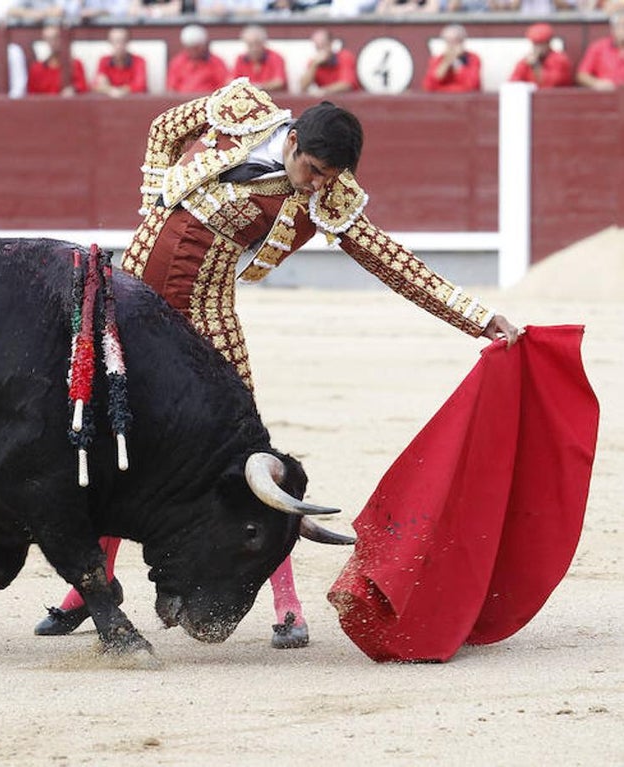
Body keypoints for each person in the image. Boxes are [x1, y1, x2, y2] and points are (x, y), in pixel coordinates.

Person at [33, 77, 520, 648]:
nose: (316, 184)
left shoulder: (326, 200)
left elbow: (394, 263)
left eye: (328, 178)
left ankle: (286, 603)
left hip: (205, 318)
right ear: (291, 141)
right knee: (114, 434)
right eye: (312, 169)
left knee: (247, 462)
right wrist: (153, 200)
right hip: (129, 295)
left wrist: (476, 316)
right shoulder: (242, 109)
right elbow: (164, 130)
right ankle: (90, 588)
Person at [27, 22, 89, 96]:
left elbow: (83, 87)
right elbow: (31, 94)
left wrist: (74, 89)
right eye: (48, 39)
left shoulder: (75, 64)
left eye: (56, 37)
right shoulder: (36, 68)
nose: (53, 42)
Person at [166, 24, 229, 94]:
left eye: (197, 48)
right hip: (183, 103)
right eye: (190, 48)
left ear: (204, 45)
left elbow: (224, 88)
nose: (194, 52)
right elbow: (171, 89)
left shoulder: (216, 62)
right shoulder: (177, 62)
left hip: (209, 102)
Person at [509, 23, 574, 88]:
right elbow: (513, 83)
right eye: (535, 44)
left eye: (541, 44)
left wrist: (536, 66)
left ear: (548, 43)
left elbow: (551, 85)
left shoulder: (560, 59)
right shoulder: (526, 61)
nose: (538, 48)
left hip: (557, 97)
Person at [423, 24, 482, 93]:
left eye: (456, 41)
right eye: (448, 41)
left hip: (466, 101)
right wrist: (446, 63)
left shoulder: (472, 58)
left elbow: (471, 85)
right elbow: (429, 86)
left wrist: (458, 64)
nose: (452, 45)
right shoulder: (438, 59)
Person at [298, 29, 359, 94]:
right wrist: (314, 65)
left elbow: (346, 84)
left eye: (323, 45)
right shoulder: (314, 63)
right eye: (318, 47)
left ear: (331, 43)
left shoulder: (344, 56)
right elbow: (303, 87)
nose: (321, 50)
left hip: (348, 100)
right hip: (327, 102)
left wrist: (324, 91)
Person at [94, 26, 148, 97]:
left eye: (122, 41)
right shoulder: (104, 60)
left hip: (135, 103)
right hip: (110, 104)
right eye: (115, 41)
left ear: (128, 42)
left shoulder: (139, 60)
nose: (119, 45)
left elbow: (140, 85)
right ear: (110, 42)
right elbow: (96, 85)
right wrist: (109, 90)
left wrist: (119, 91)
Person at [575, 12, 624, 91]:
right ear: (613, 28)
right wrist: (596, 83)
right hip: (606, 97)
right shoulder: (598, 47)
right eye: (620, 26)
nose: (622, 30)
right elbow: (582, 75)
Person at [232, 24, 287, 92]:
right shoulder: (240, 59)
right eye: (250, 44)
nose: (254, 48)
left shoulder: (275, 57)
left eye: (257, 43)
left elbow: (279, 82)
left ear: (264, 43)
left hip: (272, 99)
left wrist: (257, 87)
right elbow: (233, 83)